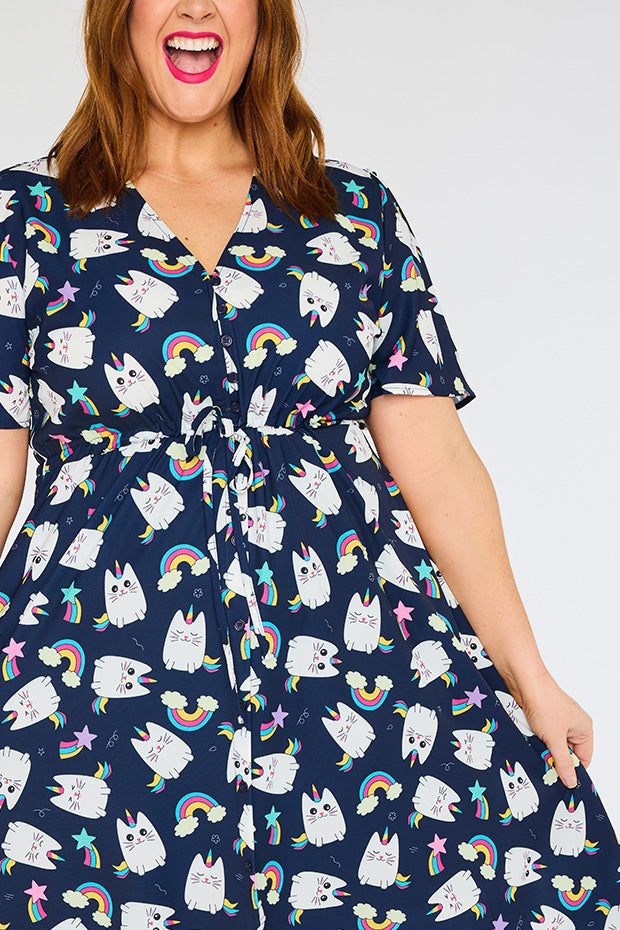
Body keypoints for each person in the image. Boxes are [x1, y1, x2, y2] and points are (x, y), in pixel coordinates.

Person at [0, 0, 618, 926]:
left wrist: (531, 674)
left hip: (347, 678)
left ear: (264, 18)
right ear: (117, 14)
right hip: (94, 678)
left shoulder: (352, 216)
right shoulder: (21, 220)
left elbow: (438, 464)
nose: (196, 6)